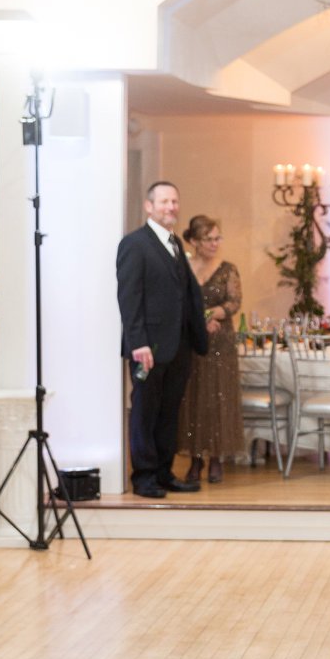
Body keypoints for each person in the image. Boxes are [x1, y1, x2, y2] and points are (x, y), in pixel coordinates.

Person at [117, 181, 210, 499]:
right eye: (164, 202)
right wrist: (138, 343)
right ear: (149, 206)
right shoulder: (134, 244)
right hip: (148, 347)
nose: (171, 207)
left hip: (178, 345)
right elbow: (129, 298)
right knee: (145, 410)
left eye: (174, 202)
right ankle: (144, 477)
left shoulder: (174, 244)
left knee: (169, 411)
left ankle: (163, 473)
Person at [176, 215, 244, 485]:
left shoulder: (228, 269)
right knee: (193, 399)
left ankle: (216, 458)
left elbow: (234, 302)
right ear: (194, 241)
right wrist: (201, 319)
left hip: (220, 343)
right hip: (193, 341)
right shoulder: (185, 267)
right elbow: (180, 300)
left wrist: (210, 314)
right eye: (209, 239)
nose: (215, 244)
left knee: (218, 398)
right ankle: (195, 459)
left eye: (218, 238)